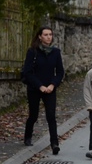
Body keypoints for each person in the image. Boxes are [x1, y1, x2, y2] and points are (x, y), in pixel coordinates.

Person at [22, 26, 65, 154]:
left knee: (51, 116)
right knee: (33, 115)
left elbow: (60, 71)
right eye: (45, 35)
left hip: (50, 89)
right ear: (40, 37)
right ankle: (28, 136)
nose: (48, 37)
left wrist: (53, 84)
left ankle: (54, 143)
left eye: (50, 34)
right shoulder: (32, 52)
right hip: (35, 88)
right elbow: (27, 72)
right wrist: (39, 86)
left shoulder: (56, 52)